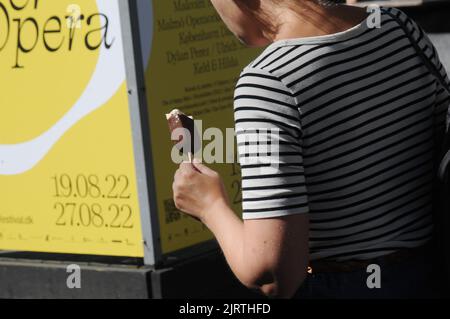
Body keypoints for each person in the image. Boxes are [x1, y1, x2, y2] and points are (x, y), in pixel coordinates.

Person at [172, 0, 450, 298]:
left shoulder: (268, 82)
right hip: (431, 272)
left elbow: (273, 274)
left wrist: (210, 206)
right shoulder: (396, 26)